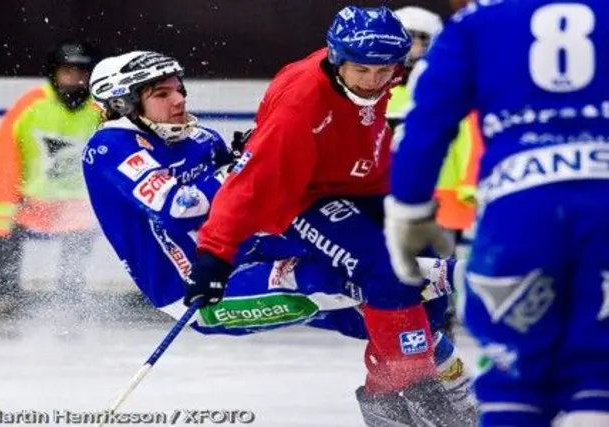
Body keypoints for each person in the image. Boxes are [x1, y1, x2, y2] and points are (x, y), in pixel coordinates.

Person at [83, 48, 476, 426]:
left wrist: (257, 164)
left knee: (401, 313)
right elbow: (178, 206)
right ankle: (458, 280)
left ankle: (412, 402)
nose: (178, 99)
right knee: (348, 279)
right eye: (161, 94)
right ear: (123, 104)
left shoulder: (201, 137)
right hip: (197, 293)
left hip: (249, 256)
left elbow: (243, 200)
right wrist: (245, 167)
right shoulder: (108, 145)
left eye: (178, 88)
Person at [184, 6, 477, 426]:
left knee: (426, 263)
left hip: (366, 186)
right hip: (306, 199)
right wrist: (214, 256)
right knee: (387, 269)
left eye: (386, 70)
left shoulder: (377, 69)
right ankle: (416, 388)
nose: (375, 82)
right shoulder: (300, 106)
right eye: (362, 70)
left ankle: (387, 395)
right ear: (337, 58)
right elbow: (246, 185)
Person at [384, 1, 609, 426]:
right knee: (601, 371)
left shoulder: (476, 25)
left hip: (520, 213)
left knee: (514, 377)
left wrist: (407, 211)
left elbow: (427, 124)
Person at [0, 40, 101, 316]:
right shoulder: (31, 105)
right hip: (34, 199)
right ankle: (7, 294)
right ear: (53, 73)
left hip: (79, 203)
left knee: (80, 239)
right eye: (68, 71)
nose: (75, 78)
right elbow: (4, 156)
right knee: (8, 233)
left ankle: (69, 299)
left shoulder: (101, 110)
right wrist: (7, 200)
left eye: (82, 72)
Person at [387, 6, 481, 242]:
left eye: (423, 39)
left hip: (445, 201)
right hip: (385, 195)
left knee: (441, 273)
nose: (414, 47)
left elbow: (472, 139)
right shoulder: (372, 90)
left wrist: (470, 187)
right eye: (408, 38)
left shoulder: (447, 90)